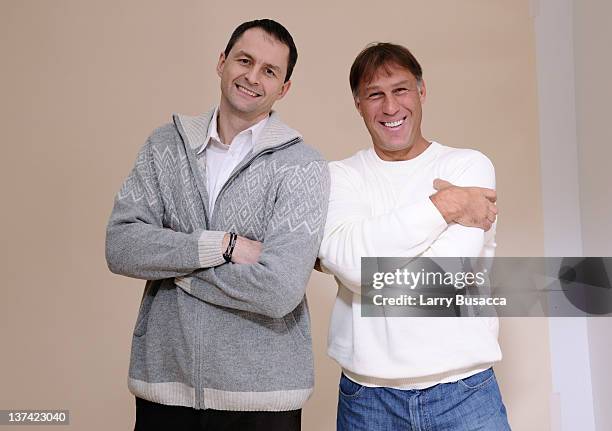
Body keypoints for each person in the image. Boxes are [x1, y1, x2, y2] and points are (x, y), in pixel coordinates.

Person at [105, 19, 329, 431]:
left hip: (264, 400)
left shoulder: (302, 165)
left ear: (284, 88)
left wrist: (180, 274)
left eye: (269, 71)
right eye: (244, 60)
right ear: (222, 62)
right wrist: (220, 246)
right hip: (164, 388)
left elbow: (279, 290)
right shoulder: (164, 146)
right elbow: (121, 245)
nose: (252, 77)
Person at [318, 43, 511, 430]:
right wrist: (445, 205)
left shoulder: (467, 165)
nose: (390, 108)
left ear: (421, 91)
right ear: (358, 103)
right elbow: (353, 268)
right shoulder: (339, 176)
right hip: (367, 399)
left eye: (401, 90)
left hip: (464, 392)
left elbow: (443, 280)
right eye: (375, 95)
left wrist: (362, 267)